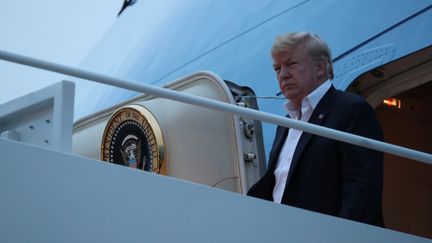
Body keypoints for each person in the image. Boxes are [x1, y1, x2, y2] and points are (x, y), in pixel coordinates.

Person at [247, 32, 384, 227]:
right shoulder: (286, 124)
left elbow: (361, 191)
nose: (283, 75)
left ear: (320, 67)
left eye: (291, 64)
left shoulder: (351, 110)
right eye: (277, 68)